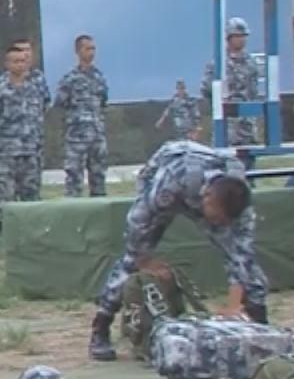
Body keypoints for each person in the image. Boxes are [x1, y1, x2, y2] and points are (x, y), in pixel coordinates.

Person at [88, 140, 266, 362]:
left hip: (206, 190)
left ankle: (260, 327)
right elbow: (138, 223)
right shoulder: (172, 183)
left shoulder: (239, 201)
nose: (219, 224)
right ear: (207, 197)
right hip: (168, 174)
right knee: (130, 262)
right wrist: (146, 261)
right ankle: (101, 327)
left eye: (224, 221)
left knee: (249, 265)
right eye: (216, 218)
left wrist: (234, 305)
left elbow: (241, 257)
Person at [0, 41, 51, 235]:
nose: (20, 65)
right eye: (15, 61)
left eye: (23, 61)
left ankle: (31, 228)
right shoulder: (1, 91)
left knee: (31, 190)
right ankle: (3, 227)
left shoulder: (35, 87)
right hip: (9, 150)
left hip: (32, 149)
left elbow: (43, 108)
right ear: (7, 64)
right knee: (6, 191)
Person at [54, 34, 110, 197]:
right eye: (87, 49)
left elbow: (103, 102)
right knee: (74, 179)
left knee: (99, 178)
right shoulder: (69, 79)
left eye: (93, 49)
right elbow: (59, 102)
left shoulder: (99, 77)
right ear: (78, 51)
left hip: (97, 136)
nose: (91, 52)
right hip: (77, 137)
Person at [209, 18, 262, 148]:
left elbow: (254, 91)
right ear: (229, 38)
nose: (242, 39)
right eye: (237, 36)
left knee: (248, 162)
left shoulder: (251, 62)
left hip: (247, 125)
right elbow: (207, 89)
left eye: (244, 36)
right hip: (227, 126)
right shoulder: (219, 63)